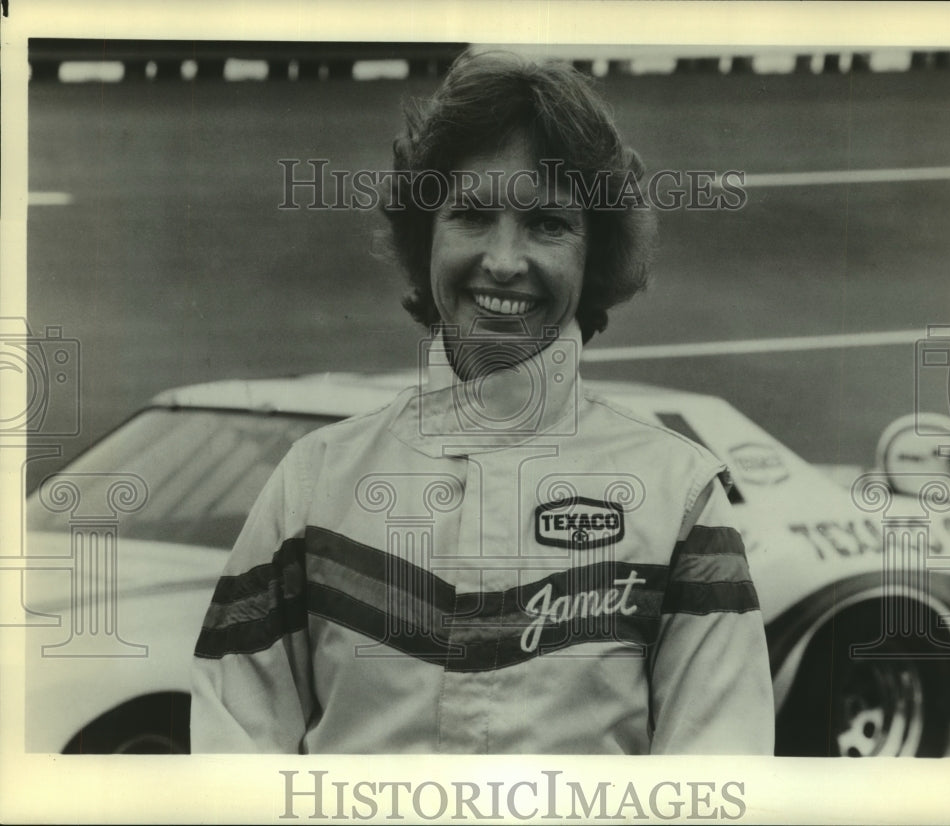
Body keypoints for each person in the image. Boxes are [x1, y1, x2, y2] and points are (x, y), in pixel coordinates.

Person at [191, 50, 774, 754]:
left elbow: (717, 781)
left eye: (548, 224)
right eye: (470, 214)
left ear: (598, 255)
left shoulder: (681, 502)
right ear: (422, 236)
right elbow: (230, 765)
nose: (503, 260)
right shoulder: (312, 486)